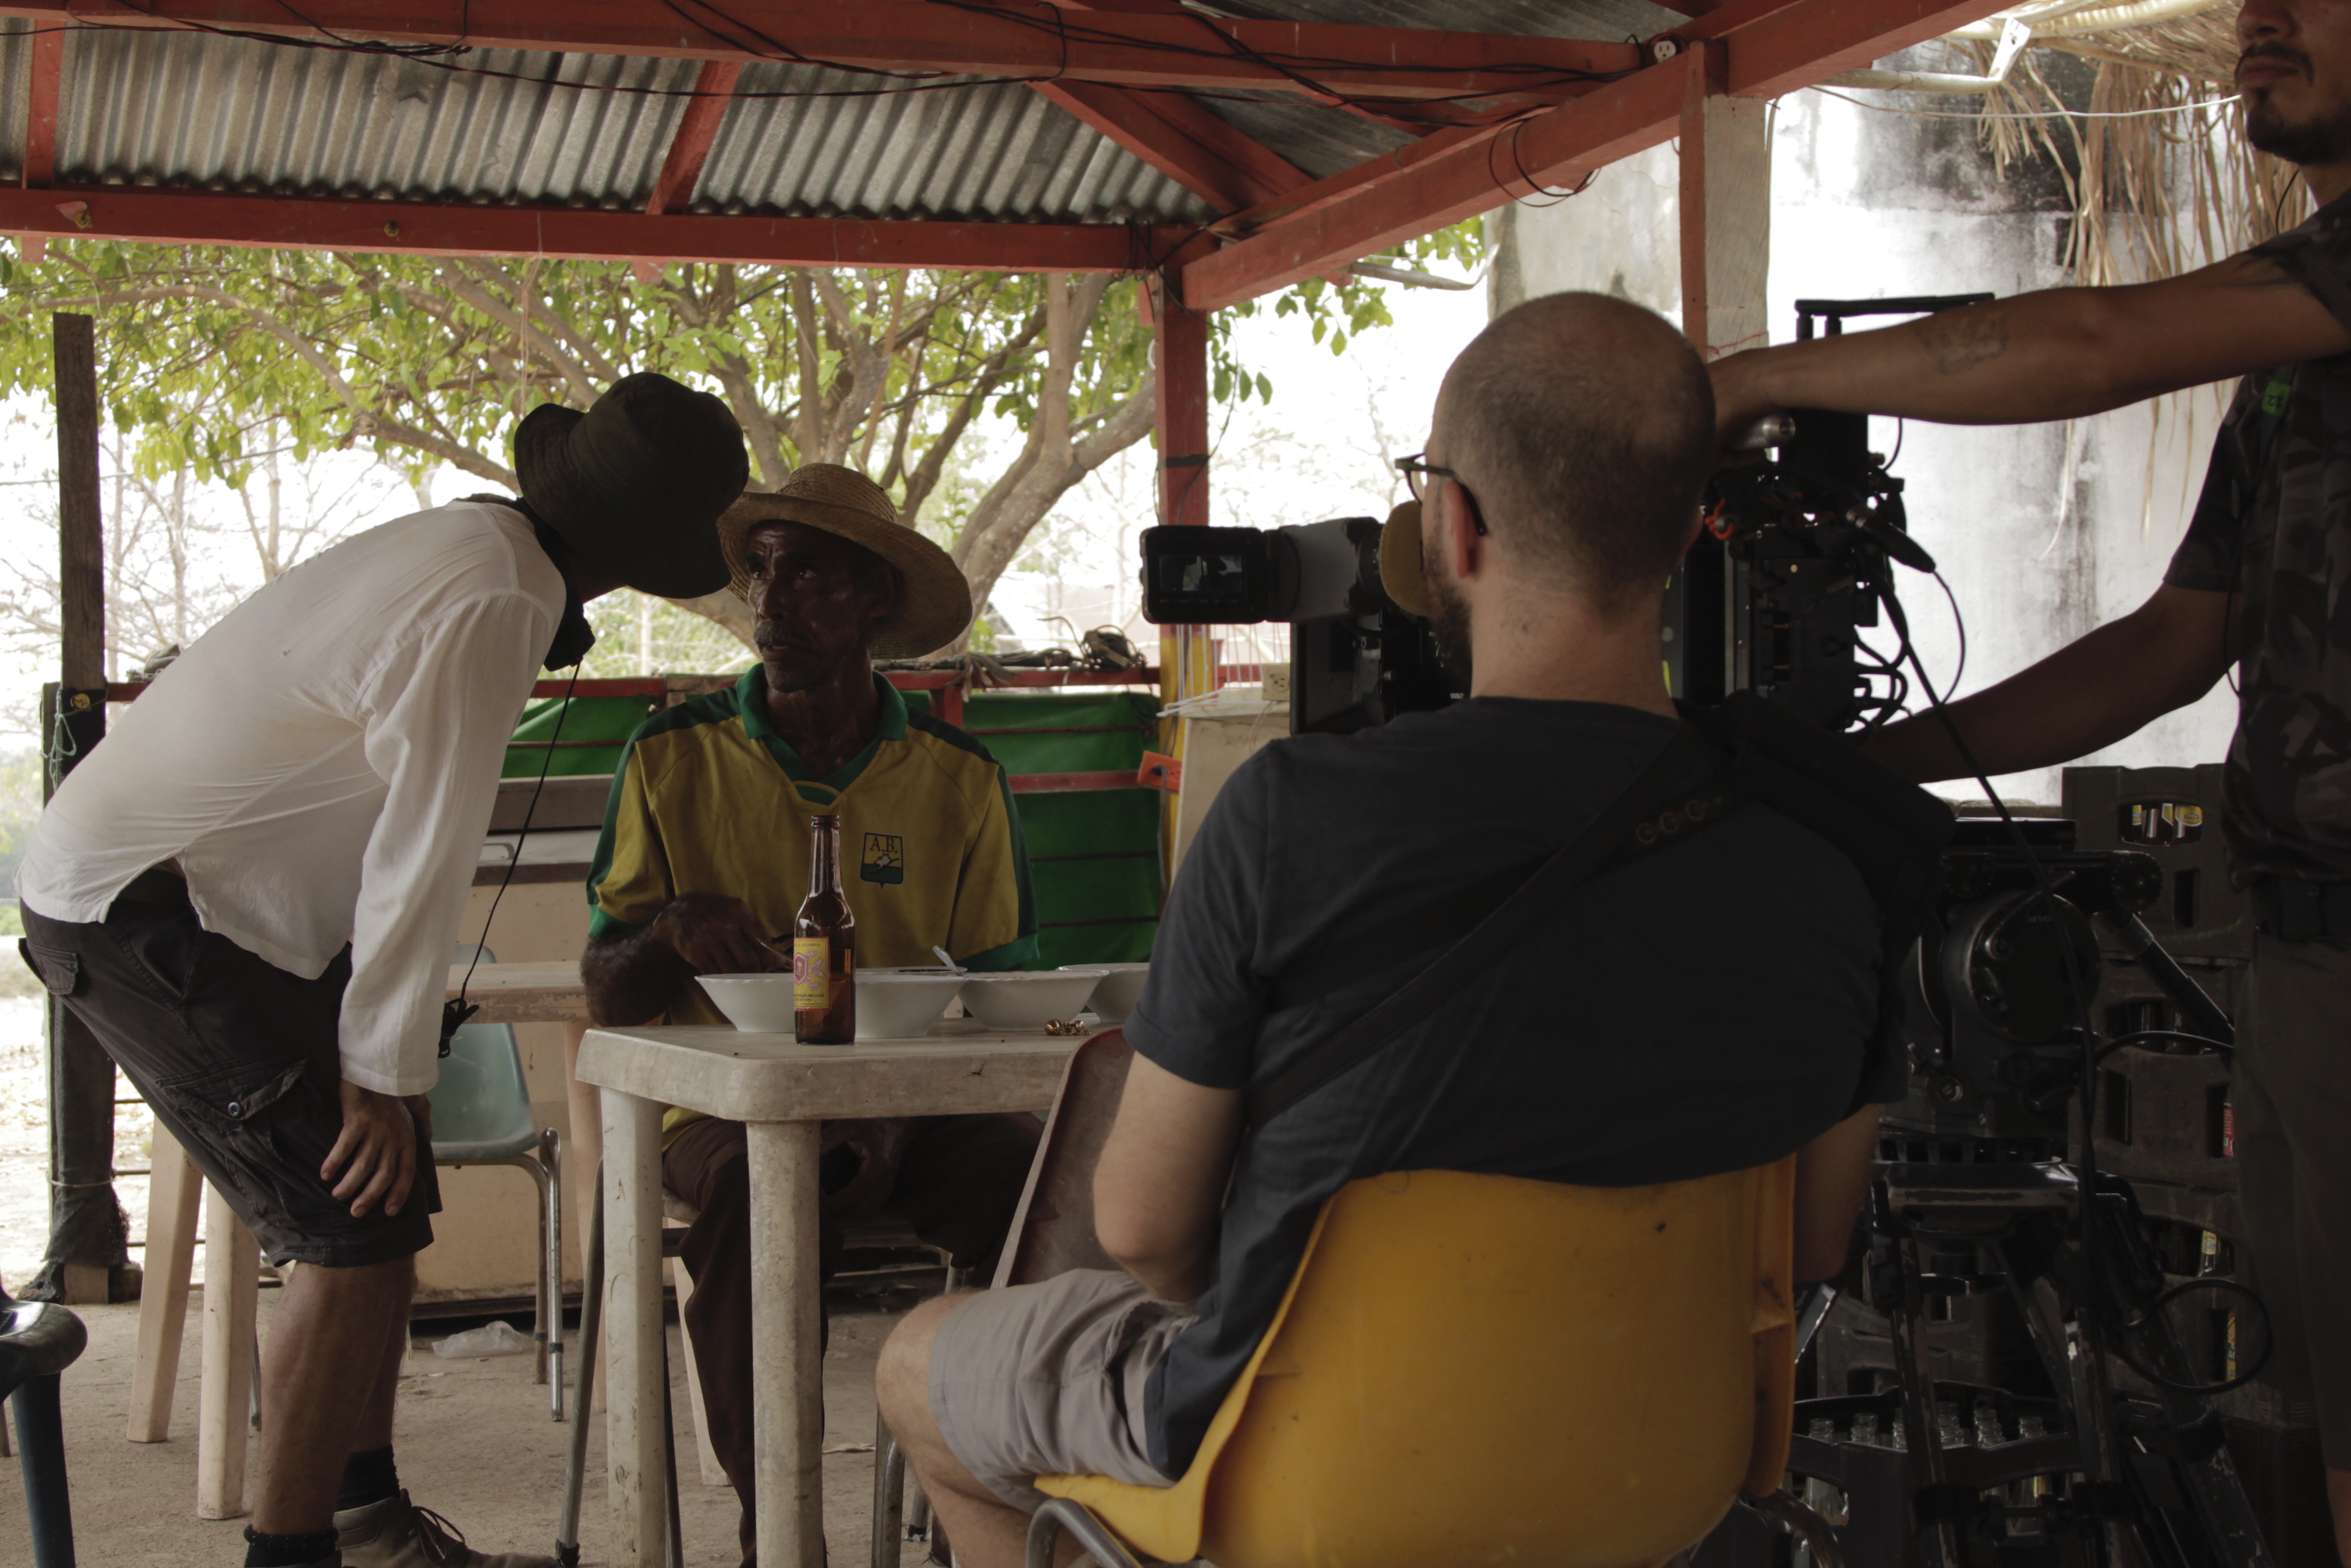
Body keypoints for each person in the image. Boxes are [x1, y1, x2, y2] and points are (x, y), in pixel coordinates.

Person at [872, 293, 1901, 1568]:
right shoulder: (1836, 855)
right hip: (1656, 1474)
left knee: (918, 1362)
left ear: (1453, 525)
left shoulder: (1288, 815)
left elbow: (1141, 1227)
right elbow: (1808, 1242)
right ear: (1690, 530)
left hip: (1306, 1472)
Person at [1707, 2, 2351, 1552]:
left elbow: (2093, 345)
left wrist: (1737, 383)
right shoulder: (2291, 360)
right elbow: (2172, 646)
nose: (2261, 15)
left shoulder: (2300, 304)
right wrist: (1872, 768)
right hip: (2303, 953)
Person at [13, 374, 748, 1568]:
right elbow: (425, 842)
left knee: (377, 1209)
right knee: (344, 1227)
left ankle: (367, 1526)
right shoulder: (499, 595)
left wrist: (386, 1064)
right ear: (646, 558)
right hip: (145, 904)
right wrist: (381, 1069)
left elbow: (384, 826)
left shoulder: (474, 542)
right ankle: (294, 1550)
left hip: (199, 901)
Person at [579, 463, 1042, 1567]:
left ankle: (987, 1517)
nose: (770, 603)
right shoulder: (671, 755)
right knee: (759, 1200)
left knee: (1046, 1186)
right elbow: (605, 990)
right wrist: (666, 931)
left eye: (807, 577)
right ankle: (778, 1535)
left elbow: (1001, 995)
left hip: (917, 1107)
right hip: (723, 1115)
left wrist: (894, 1104)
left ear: (876, 599)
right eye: (759, 574)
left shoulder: (959, 775)